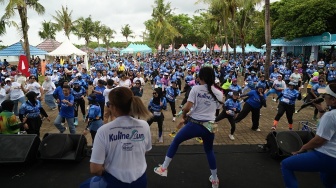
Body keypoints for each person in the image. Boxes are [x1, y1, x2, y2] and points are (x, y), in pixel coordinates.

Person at [154, 67, 223, 188]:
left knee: (175, 141)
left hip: (195, 124)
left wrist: (185, 115)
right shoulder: (219, 92)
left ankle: (163, 168)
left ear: (200, 77)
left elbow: (186, 107)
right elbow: (216, 110)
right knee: (209, 150)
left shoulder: (196, 89)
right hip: (211, 125)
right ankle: (215, 179)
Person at [80, 87, 152, 188]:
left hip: (113, 182)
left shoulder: (103, 131)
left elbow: (95, 169)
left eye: (109, 104)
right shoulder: (144, 125)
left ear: (113, 107)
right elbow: (145, 150)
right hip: (140, 181)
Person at [281, 83, 336, 188]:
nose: (323, 98)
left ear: (333, 100)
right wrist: (320, 109)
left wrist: (302, 148)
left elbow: (319, 140)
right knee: (329, 182)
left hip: (327, 156)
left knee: (286, 165)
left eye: (325, 96)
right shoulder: (330, 115)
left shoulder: (330, 116)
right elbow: (329, 126)